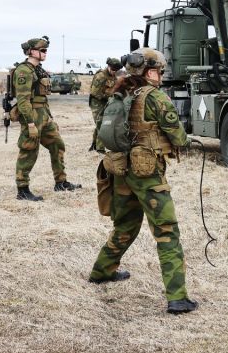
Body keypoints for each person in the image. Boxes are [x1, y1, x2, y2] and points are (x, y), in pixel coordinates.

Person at [88, 48, 197, 314]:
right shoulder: (155, 97)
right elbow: (178, 136)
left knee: (125, 225)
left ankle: (102, 271)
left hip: (121, 171)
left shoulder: (120, 92)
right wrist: (186, 141)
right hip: (147, 175)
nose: (161, 75)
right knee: (167, 232)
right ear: (150, 71)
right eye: (160, 70)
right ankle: (177, 298)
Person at [12, 37, 82, 201]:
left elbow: (42, 98)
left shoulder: (38, 70)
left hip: (43, 115)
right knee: (29, 150)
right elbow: (23, 102)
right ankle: (22, 189)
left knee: (58, 145)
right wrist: (30, 123)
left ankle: (61, 182)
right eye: (41, 50)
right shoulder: (24, 71)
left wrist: (49, 117)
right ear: (31, 51)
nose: (45, 53)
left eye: (45, 50)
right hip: (32, 116)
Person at [88, 57, 124, 151]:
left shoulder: (113, 77)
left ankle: (94, 145)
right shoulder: (100, 76)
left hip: (105, 102)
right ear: (108, 66)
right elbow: (94, 93)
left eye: (116, 70)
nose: (114, 72)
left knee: (101, 123)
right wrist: (108, 96)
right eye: (112, 70)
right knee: (101, 123)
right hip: (96, 103)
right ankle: (100, 148)